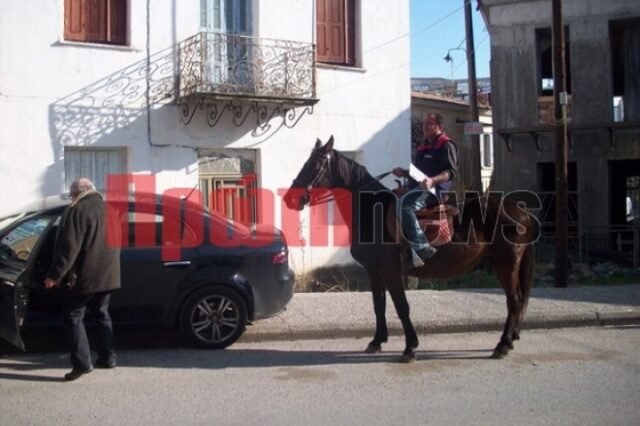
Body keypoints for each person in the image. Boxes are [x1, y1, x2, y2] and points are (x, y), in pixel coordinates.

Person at [44, 177, 121, 381]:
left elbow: (68, 247)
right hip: (109, 273)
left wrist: (54, 275)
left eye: (71, 194)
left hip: (86, 275)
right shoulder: (110, 210)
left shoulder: (76, 210)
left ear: (78, 193)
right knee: (102, 313)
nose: (71, 198)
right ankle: (108, 357)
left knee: (73, 316)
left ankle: (82, 363)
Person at [392, 112, 459, 266]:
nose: (425, 126)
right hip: (418, 188)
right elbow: (418, 174)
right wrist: (403, 172)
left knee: (405, 205)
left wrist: (432, 181)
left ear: (440, 127)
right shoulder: (424, 147)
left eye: (429, 123)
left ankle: (422, 247)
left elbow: (450, 172)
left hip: (434, 192)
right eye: (424, 124)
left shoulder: (446, 145)